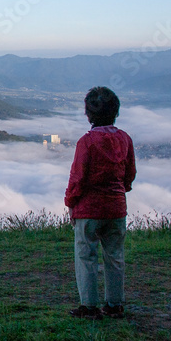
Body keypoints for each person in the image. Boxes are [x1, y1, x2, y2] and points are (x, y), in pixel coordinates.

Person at [64, 86, 136, 319]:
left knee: (86, 256)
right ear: (116, 112)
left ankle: (89, 306)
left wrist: (71, 203)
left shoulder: (86, 143)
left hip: (89, 209)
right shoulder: (125, 139)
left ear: (89, 114)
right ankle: (115, 305)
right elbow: (129, 173)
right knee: (115, 256)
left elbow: (78, 178)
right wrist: (120, 191)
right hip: (116, 207)